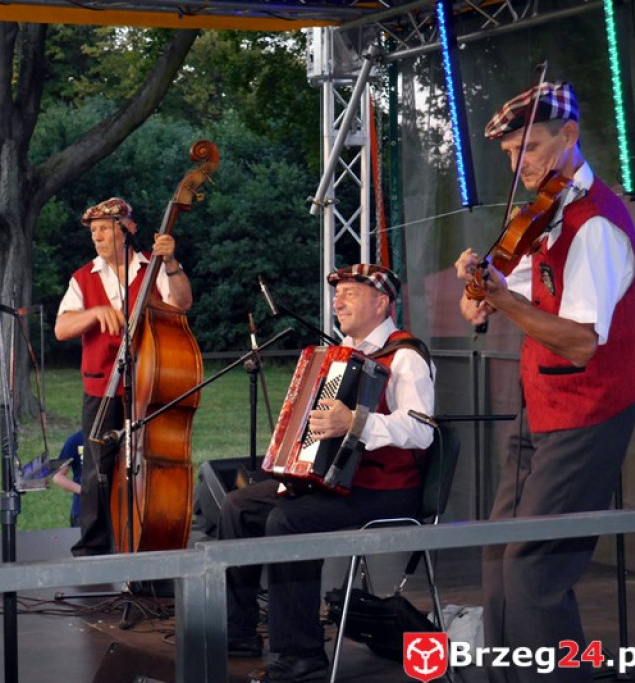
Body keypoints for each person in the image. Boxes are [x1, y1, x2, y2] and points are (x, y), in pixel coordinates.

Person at [455, 82, 635, 683]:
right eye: (509, 155)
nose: (519, 165)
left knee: (534, 570)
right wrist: (477, 285)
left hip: (589, 410)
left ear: (569, 136)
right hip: (541, 403)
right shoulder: (545, 216)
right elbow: (492, 293)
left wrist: (503, 301)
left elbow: (583, 341)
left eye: (529, 148)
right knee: (499, 556)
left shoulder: (594, 226)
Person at [221, 264, 435, 683]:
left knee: (290, 521)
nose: (337, 302)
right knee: (239, 506)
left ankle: (300, 656)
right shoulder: (342, 356)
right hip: (342, 482)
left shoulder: (405, 356)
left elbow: (421, 431)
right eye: (337, 295)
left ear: (381, 302)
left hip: (390, 488)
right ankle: (238, 632)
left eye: (350, 293)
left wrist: (356, 422)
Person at [54, 197, 193, 556]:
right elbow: (62, 327)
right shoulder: (84, 277)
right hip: (102, 384)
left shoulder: (154, 268)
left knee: (148, 463)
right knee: (96, 468)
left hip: (150, 383)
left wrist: (172, 262)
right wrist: (95, 312)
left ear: (127, 230)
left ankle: (149, 538)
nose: (97, 237)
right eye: (94, 231)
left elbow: (181, 304)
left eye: (104, 228)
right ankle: (93, 549)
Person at [50, 429, 84, 527]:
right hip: (83, 510)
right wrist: (83, 490)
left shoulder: (111, 437)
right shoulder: (75, 440)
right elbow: (58, 476)